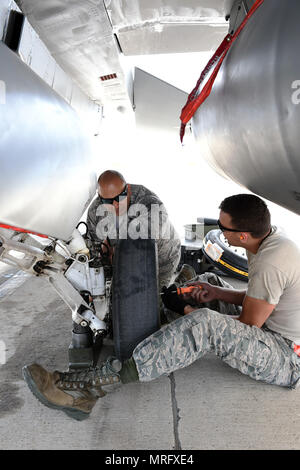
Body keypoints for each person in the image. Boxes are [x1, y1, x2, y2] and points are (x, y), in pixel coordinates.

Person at [23, 194, 300, 421]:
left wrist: (193, 314)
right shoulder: (267, 241)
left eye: (224, 227)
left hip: (286, 356)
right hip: (270, 327)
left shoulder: (270, 262)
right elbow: (260, 297)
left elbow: (249, 324)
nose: (219, 231)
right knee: (207, 281)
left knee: (204, 324)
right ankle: (162, 336)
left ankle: (87, 390)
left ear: (243, 236)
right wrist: (216, 292)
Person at [85, 170, 184, 293]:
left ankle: (182, 280)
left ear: (128, 190)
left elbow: (144, 242)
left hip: (162, 258)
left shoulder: (149, 203)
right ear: (100, 198)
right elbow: (94, 251)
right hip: (121, 263)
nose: (115, 205)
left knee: (151, 300)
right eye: (108, 201)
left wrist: (115, 249)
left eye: (119, 198)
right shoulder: (95, 211)